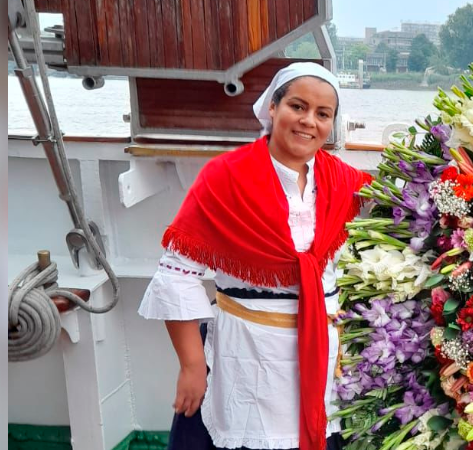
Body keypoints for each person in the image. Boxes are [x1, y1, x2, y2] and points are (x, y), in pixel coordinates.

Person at [138, 62, 370, 450]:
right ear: (272, 108)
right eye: (298, 106)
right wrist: (192, 366)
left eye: (322, 113)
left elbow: (405, 207)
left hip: (325, 355)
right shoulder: (225, 177)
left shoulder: (344, 182)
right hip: (245, 355)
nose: (309, 121)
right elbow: (176, 276)